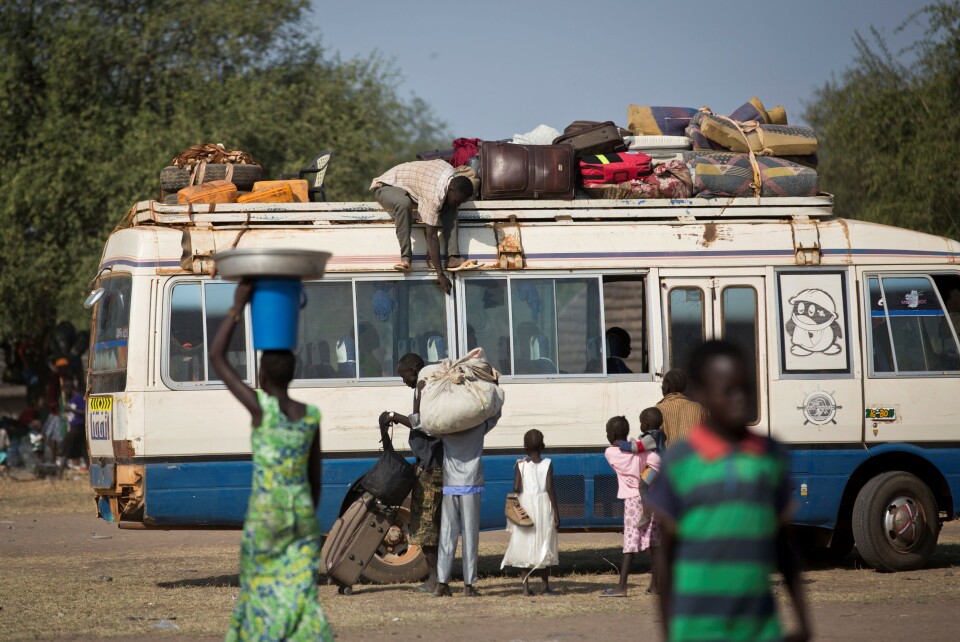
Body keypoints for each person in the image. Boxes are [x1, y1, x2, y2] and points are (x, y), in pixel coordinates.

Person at [647, 340, 811, 642]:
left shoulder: (770, 455)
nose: (740, 399)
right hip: (696, 630)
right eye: (728, 390)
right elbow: (667, 557)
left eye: (745, 388)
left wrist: (803, 622)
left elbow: (783, 545)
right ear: (702, 394)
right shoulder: (681, 463)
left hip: (761, 628)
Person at [212, 281, 333, 642]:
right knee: (300, 592)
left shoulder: (261, 410)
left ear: (262, 378)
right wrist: (306, 518)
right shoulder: (310, 416)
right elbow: (315, 480)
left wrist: (238, 306)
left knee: (260, 589)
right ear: (293, 374)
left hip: (265, 517)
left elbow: (217, 359)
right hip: (299, 518)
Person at [409, 383, 501, 597]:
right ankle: (469, 586)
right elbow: (495, 413)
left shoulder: (445, 429)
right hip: (471, 483)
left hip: (450, 484)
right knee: (470, 534)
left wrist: (420, 394)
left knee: (447, 534)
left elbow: (417, 422)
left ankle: (442, 583)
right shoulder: (479, 427)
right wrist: (493, 386)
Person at [378, 353, 444, 594]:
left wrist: (394, 416)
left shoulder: (424, 389)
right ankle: (436, 579)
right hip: (428, 466)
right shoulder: (423, 389)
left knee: (425, 528)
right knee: (428, 526)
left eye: (404, 375)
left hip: (430, 469)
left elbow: (424, 425)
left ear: (414, 370)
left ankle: (435, 580)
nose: (403, 380)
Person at [370, 160, 480, 294]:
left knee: (451, 207)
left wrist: (453, 204)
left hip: (415, 185)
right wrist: (440, 274)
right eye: (457, 200)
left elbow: (451, 202)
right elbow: (431, 236)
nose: (458, 204)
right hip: (386, 187)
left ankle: (453, 258)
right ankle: (406, 258)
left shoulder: (452, 176)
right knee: (404, 204)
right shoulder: (433, 195)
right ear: (450, 189)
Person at [601, 416, 661, 598]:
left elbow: (617, 449)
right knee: (655, 543)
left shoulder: (610, 453)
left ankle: (622, 587)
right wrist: (646, 477)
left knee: (630, 544)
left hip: (632, 501)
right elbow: (658, 461)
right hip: (651, 499)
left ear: (611, 434)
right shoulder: (641, 451)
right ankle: (655, 586)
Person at [500, 428, 560, 596]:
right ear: (543, 446)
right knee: (544, 543)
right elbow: (550, 488)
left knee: (525, 544)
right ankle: (545, 585)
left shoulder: (520, 464)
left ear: (525, 447)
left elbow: (516, 487)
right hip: (543, 507)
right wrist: (556, 512)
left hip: (525, 507)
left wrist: (521, 468)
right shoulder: (548, 463)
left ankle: (525, 588)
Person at [656, 369, 707, 446]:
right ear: (684, 388)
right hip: (694, 456)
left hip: (670, 456)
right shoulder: (699, 408)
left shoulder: (658, 409)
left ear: (666, 387)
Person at [59, 380, 87, 474]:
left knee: (65, 450)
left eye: (65, 390)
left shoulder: (79, 398)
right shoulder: (70, 399)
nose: (65, 393)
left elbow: (84, 412)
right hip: (73, 427)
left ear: (70, 388)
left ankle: (60, 473)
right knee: (83, 451)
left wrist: (71, 409)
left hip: (78, 427)